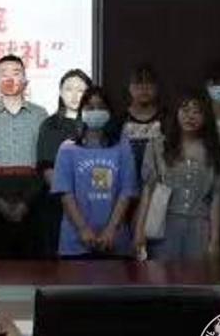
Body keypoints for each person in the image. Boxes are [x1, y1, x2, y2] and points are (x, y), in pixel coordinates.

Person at [133, 92, 220, 261]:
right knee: (161, 275)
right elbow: (148, 192)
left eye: (197, 111)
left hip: (200, 227)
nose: (190, 116)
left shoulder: (213, 151)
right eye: (185, 110)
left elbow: (216, 198)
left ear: (206, 117)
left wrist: (215, 241)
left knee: (195, 276)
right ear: (176, 113)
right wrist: (140, 230)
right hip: (164, 224)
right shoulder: (157, 146)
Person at [0, 55, 47, 258]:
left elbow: (43, 162)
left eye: (16, 73)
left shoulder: (40, 114)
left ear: (25, 79)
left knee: (32, 264)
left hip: (32, 193)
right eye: (3, 74)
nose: (10, 78)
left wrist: (26, 202)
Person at [52, 87, 138, 258]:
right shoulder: (67, 149)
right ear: (81, 112)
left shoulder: (123, 147)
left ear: (109, 112)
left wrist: (111, 230)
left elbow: (126, 192)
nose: (95, 111)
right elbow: (66, 194)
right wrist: (83, 230)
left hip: (114, 240)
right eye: (90, 107)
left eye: (101, 107)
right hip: (76, 242)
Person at [36, 69, 91, 257]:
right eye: (69, 89)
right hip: (58, 205)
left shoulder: (95, 125)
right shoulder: (50, 125)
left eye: (80, 90)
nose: (75, 95)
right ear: (60, 92)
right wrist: (70, 199)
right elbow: (47, 169)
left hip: (93, 202)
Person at [119, 64, 164, 174]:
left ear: (157, 88)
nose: (144, 88)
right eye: (138, 83)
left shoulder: (166, 117)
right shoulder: (119, 118)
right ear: (130, 88)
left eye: (149, 83)